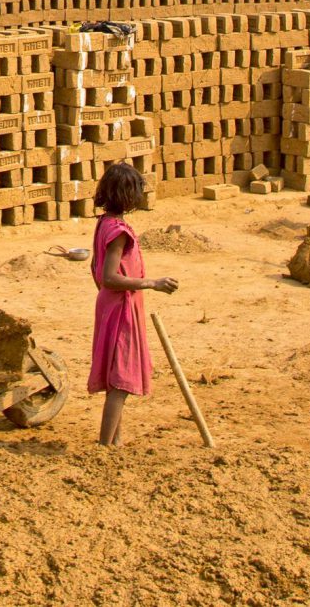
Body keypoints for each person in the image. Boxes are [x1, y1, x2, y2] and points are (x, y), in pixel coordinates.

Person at [89, 160, 177, 446]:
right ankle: (105, 445)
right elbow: (110, 276)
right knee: (121, 380)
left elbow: (95, 270)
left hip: (112, 305)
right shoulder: (119, 233)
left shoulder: (104, 224)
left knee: (117, 375)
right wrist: (152, 283)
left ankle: (116, 442)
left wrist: (108, 296)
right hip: (121, 308)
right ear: (128, 195)